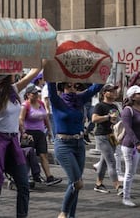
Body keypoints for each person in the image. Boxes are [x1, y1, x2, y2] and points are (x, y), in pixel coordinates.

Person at [0, 65, 42, 218]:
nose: (16, 74)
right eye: (12, 72)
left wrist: (43, 58)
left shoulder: (14, 90)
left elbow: (32, 73)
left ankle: (21, 215)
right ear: (6, 76)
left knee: (23, 184)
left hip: (13, 142)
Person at [48, 81, 103, 218]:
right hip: (63, 145)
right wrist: (49, 66)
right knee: (77, 183)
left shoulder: (80, 100)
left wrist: (102, 66)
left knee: (74, 183)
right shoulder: (57, 101)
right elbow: (50, 84)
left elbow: (97, 86)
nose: (72, 88)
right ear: (62, 88)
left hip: (79, 145)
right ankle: (63, 213)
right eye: (68, 86)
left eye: (75, 86)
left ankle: (71, 216)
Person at [19, 85, 61, 186]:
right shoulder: (25, 105)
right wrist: (23, 132)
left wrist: (50, 131)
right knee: (29, 155)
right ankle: (27, 177)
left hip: (40, 133)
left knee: (43, 154)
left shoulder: (41, 103)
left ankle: (49, 177)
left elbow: (45, 117)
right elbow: (21, 119)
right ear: (28, 95)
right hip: (29, 133)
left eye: (37, 93)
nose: (36, 95)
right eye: (34, 93)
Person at [91, 84, 123, 195]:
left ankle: (98, 184)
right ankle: (118, 186)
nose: (114, 92)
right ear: (104, 93)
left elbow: (118, 120)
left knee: (104, 161)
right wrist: (107, 117)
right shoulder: (100, 106)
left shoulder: (115, 106)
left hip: (112, 136)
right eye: (111, 91)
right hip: (102, 136)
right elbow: (94, 119)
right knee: (111, 161)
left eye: (115, 91)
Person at [120, 85, 140, 207]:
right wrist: (137, 143)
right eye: (139, 93)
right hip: (130, 146)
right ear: (132, 96)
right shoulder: (128, 110)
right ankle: (125, 197)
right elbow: (128, 129)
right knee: (130, 172)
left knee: (132, 171)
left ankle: (126, 193)